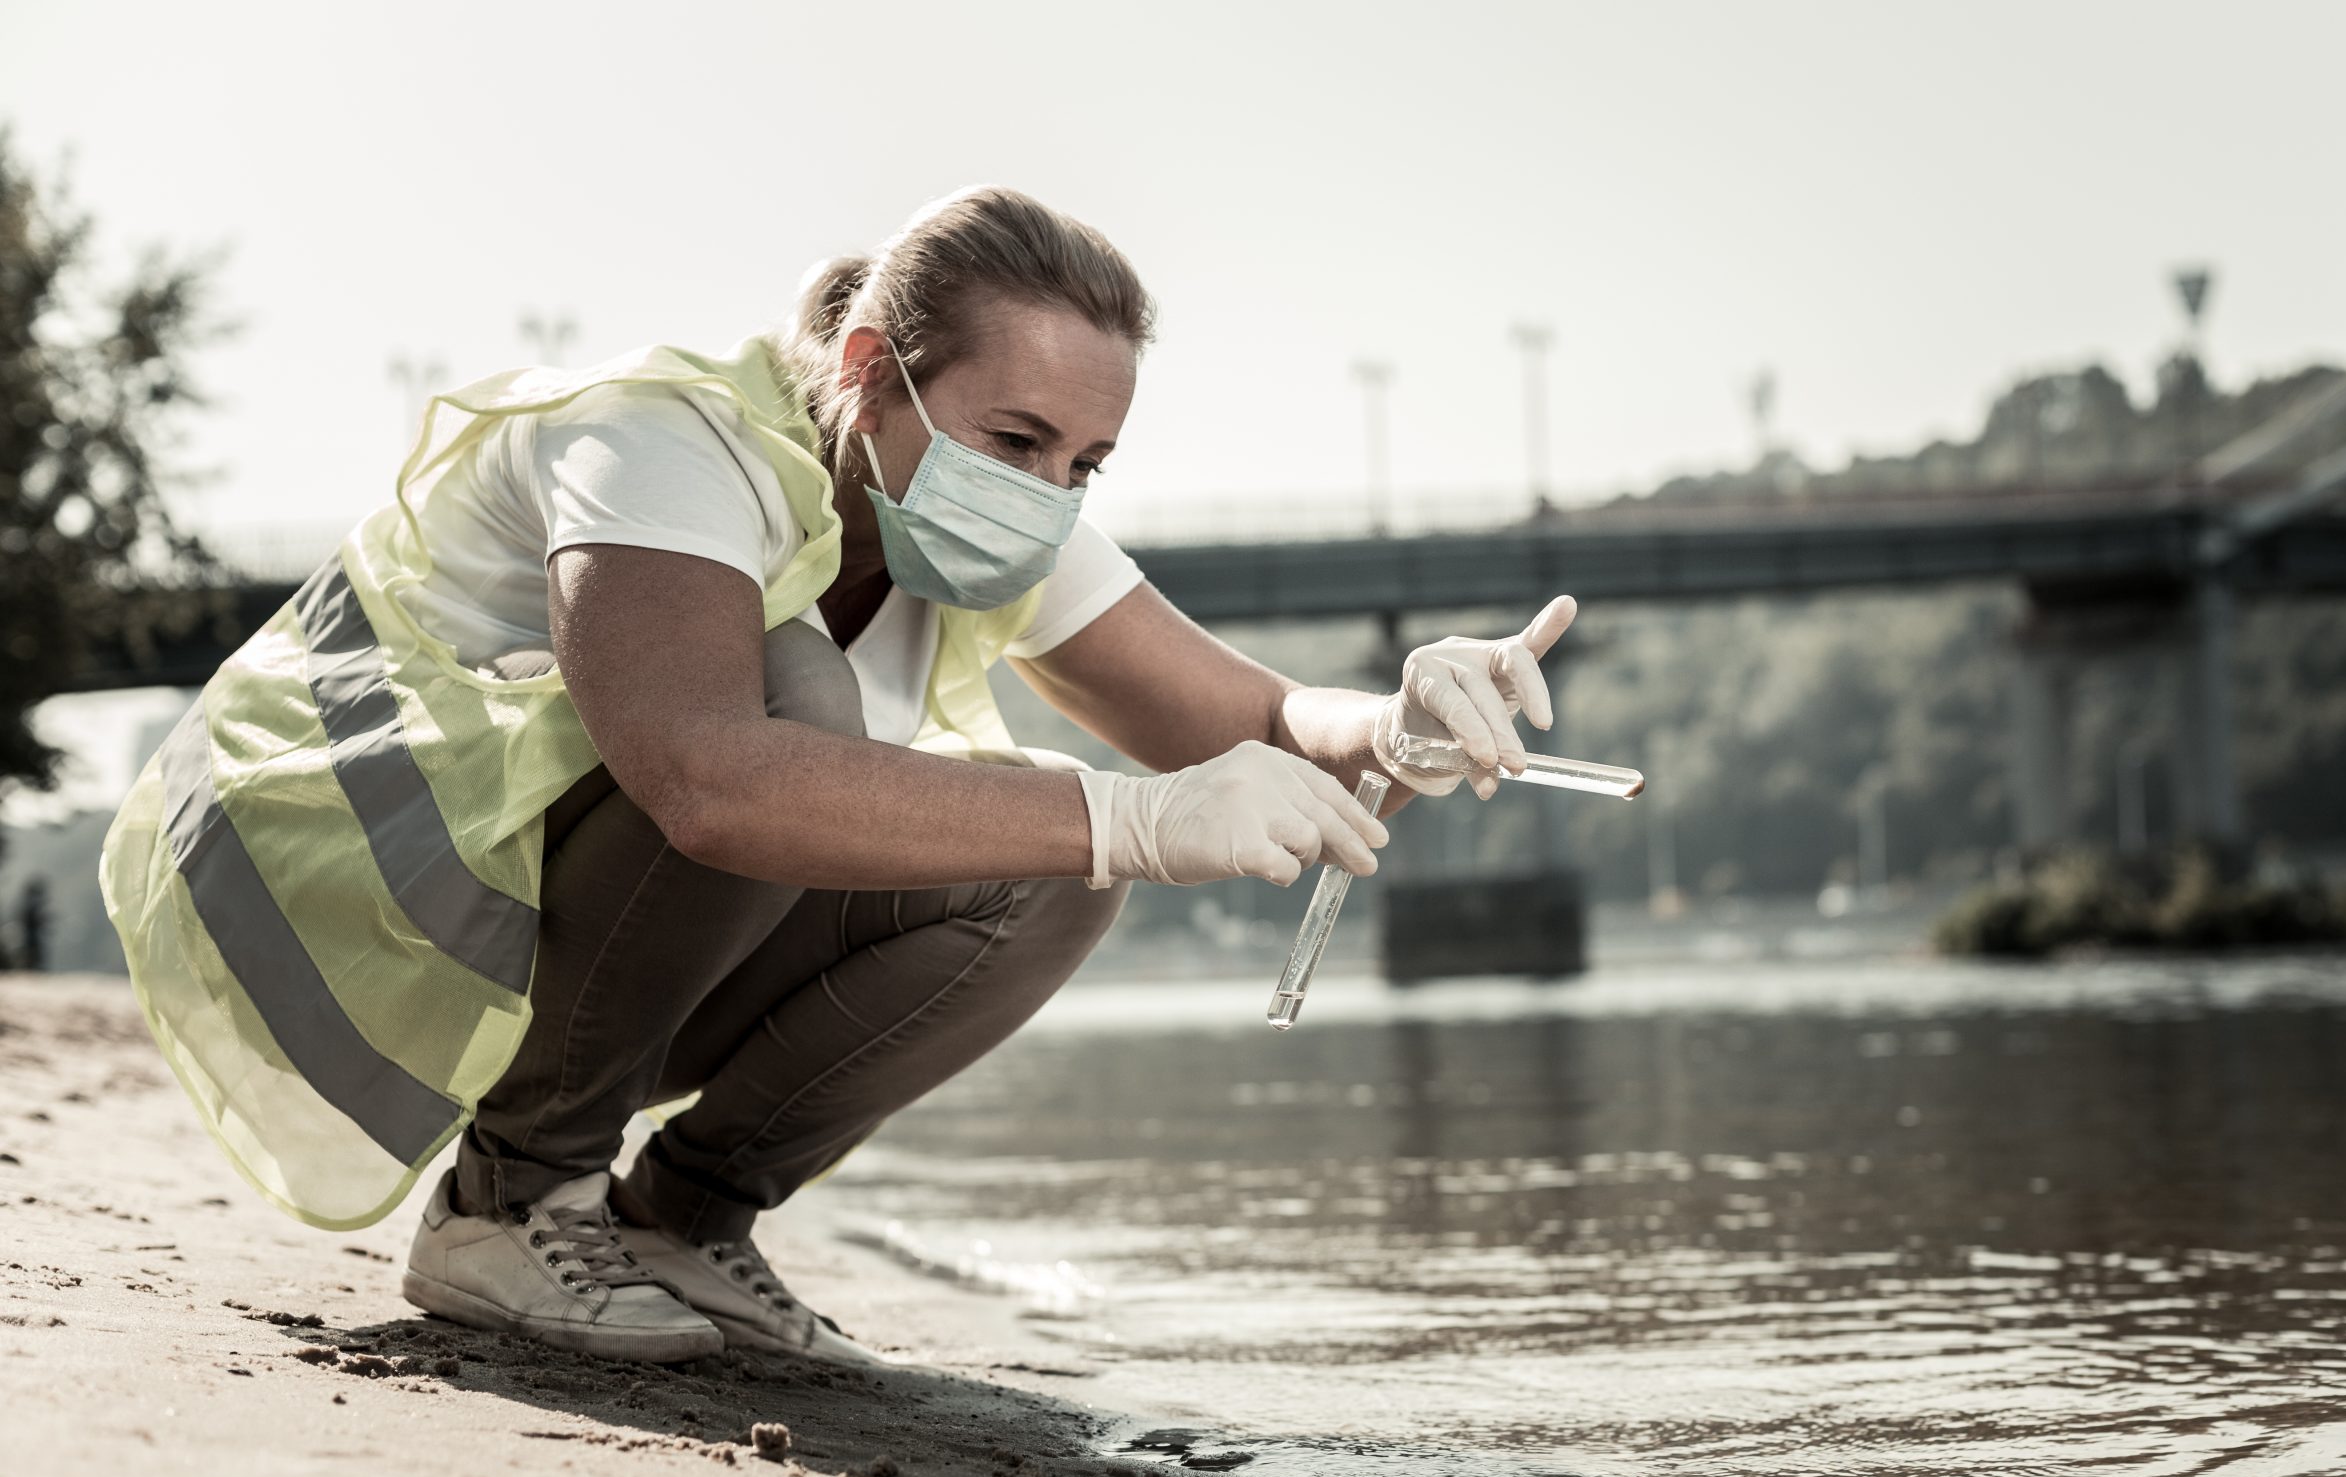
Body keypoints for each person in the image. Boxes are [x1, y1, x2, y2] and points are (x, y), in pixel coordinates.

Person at [101, 186, 1576, 1365]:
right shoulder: (666, 442)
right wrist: (1131, 814)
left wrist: (1400, 721)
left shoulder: (981, 503)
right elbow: (706, 781)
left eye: (1087, 463)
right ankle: (508, 1201)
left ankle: (680, 1223)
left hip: (527, 934)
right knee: (808, 704)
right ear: (873, 375)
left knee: (1051, 887)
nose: (1051, 494)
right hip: (336, 921)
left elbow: (1248, 717)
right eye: (1018, 440)